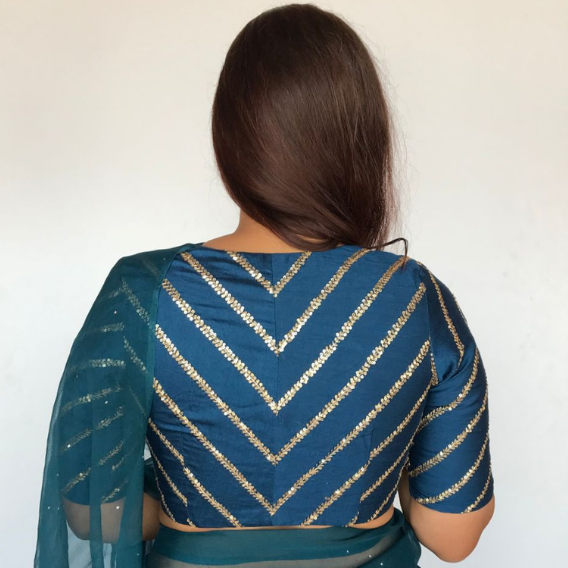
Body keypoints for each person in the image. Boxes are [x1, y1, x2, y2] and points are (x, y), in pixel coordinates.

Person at [34, 3, 495, 567]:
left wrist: (180, 505)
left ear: (229, 141)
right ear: (363, 143)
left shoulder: (141, 292)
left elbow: (91, 513)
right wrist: (391, 442)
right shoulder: (416, 300)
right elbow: (453, 537)